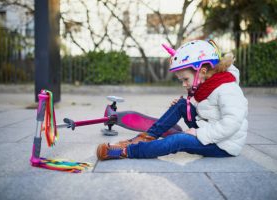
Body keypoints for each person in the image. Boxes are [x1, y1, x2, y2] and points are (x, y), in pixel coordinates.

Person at [96, 40, 248, 160]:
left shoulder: (228, 88)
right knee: (181, 104)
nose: (183, 84)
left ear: (202, 71)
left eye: (185, 79)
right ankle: (146, 138)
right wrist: (188, 106)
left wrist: (198, 133)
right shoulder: (208, 84)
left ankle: (126, 151)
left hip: (222, 144)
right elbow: (208, 109)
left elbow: (232, 123)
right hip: (208, 129)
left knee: (179, 140)